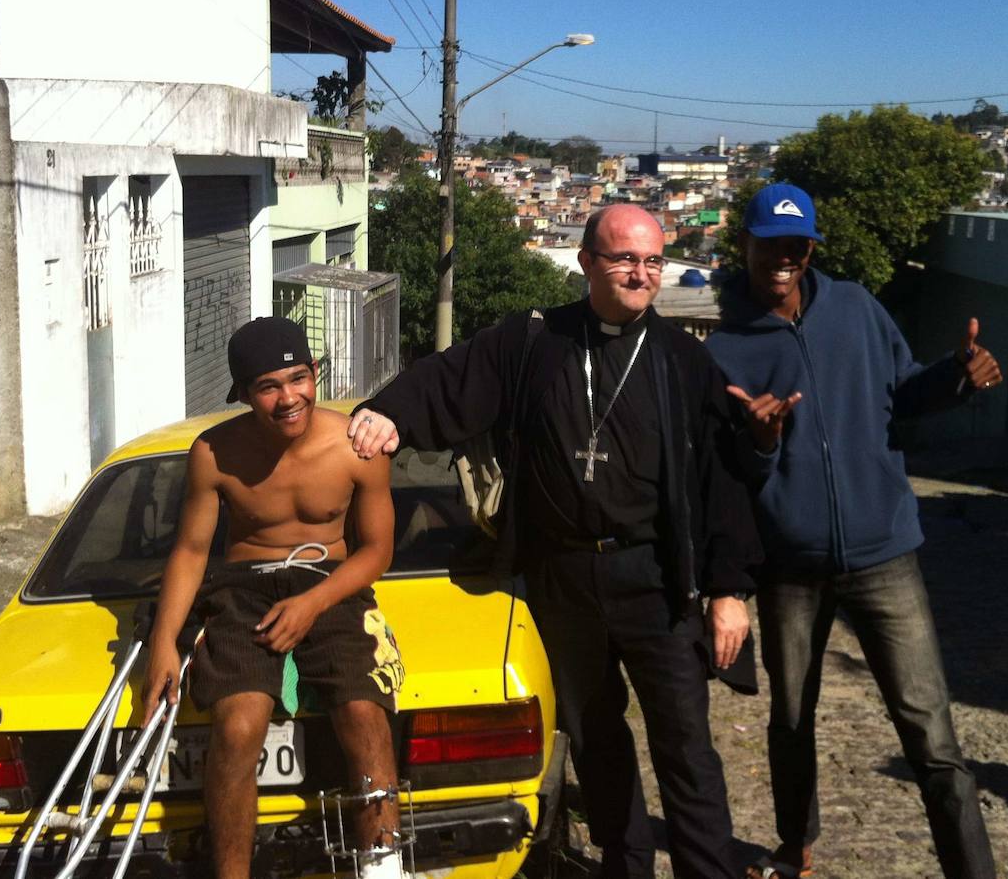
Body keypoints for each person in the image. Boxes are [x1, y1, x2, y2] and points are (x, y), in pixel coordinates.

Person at [348, 204, 760, 879]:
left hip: (655, 579)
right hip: (564, 577)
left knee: (685, 744)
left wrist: (730, 590)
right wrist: (388, 411)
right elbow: (454, 378)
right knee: (596, 739)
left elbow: (724, 484)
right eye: (625, 259)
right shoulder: (534, 341)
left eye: (653, 261)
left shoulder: (684, 360)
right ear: (587, 263)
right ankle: (624, 866)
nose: (641, 273)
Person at [705, 184, 1002, 879]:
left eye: (797, 244)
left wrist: (958, 377)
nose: (784, 256)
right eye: (770, 243)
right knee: (791, 720)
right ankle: (794, 845)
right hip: (789, 562)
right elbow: (728, 473)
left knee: (932, 737)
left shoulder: (858, 308)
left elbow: (903, 396)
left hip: (884, 554)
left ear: (811, 248)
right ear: (742, 245)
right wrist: (762, 441)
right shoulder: (722, 349)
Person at [143, 316, 406, 879]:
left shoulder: (357, 447)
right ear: (242, 394)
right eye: (268, 386)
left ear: (316, 373)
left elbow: (377, 552)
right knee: (237, 729)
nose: (288, 398)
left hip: (331, 582)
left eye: (297, 378)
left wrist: (311, 604)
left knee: (365, 715)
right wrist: (163, 643)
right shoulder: (213, 453)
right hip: (243, 592)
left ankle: (382, 868)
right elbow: (191, 551)